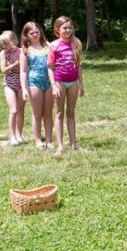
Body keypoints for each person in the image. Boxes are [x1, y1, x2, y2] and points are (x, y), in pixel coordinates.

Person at [48, 16, 84, 155]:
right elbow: (50, 67)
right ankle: (60, 146)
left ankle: (74, 144)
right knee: (59, 113)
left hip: (73, 82)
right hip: (59, 82)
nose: (67, 30)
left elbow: (79, 65)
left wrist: (81, 85)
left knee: (71, 113)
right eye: (64, 28)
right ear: (58, 30)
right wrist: (54, 86)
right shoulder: (54, 45)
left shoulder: (76, 44)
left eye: (69, 27)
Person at [19, 21, 53, 149]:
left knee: (48, 113)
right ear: (26, 35)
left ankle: (49, 140)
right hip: (34, 83)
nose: (34, 34)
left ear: (41, 32)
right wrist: (24, 89)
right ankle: (38, 140)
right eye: (31, 33)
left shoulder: (48, 46)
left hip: (49, 82)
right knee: (37, 114)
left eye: (37, 32)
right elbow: (23, 71)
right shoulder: (26, 50)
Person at [0, 31, 25, 146]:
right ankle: (12, 136)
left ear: (13, 41)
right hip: (9, 83)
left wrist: (13, 65)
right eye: (2, 44)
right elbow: (4, 70)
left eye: (5, 43)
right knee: (13, 110)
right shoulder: (3, 53)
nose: (3, 46)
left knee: (20, 110)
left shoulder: (22, 51)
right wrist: (15, 64)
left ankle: (19, 134)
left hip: (21, 83)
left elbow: (24, 69)